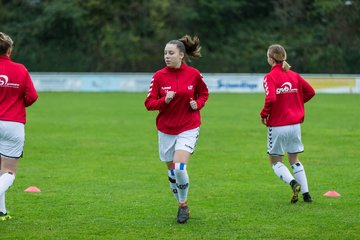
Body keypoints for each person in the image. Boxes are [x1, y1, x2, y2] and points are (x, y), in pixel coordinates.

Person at [144, 35, 209, 223]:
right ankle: (181, 203)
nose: (167, 56)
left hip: (188, 126)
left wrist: (198, 103)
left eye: (171, 53)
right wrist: (164, 100)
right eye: (165, 53)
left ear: (181, 55)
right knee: (172, 173)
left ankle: (183, 205)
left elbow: (204, 93)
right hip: (166, 129)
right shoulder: (158, 76)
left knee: (180, 167)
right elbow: (149, 103)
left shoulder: (194, 74)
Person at [260, 44, 315, 204]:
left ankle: (293, 183)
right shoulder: (294, 75)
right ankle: (307, 194)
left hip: (278, 124)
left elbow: (271, 99)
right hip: (295, 125)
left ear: (271, 59)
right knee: (294, 159)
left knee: (275, 161)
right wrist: (296, 103)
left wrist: (264, 114)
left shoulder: (269, 77)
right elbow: (311, 92)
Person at [0, 32, 38, 221]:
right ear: (10, 50)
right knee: (8, 171)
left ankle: (2, 212)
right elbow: (32, 97)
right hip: (13, 124)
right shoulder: (20, 69)